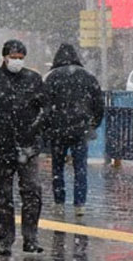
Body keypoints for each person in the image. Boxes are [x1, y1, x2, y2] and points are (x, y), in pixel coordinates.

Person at [0, 39, 46, 256]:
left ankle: (30, 238)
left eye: (20, 57)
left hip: (28, 146)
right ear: (5, 57)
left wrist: (36, 130)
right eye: (13, 57)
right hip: (0, 146)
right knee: (3, 197)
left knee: (32, 193)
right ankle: (5, 240)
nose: (17, 61)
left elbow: (45, 108)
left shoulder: (33, 79)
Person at [43, 43, 104, 217]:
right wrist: (92, 124)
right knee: (80, 168)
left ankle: (59, 202)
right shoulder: (87, 76)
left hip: (58, 130)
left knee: (58, 168)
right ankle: (80, 205)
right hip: (80, 130)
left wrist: (47, 128)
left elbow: (44, 105)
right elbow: (98, 104)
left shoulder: (51, 77)